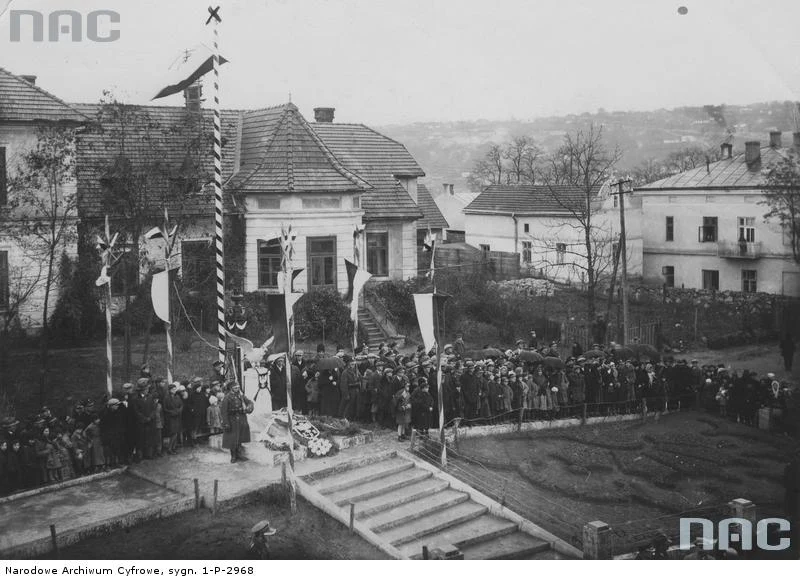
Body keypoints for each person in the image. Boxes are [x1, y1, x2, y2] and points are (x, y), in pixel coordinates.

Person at [220, 380, 254, 463]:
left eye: (238, 387)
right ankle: (233, 456)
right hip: (232, 420)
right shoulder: (227, 397)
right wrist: (226, 423)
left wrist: (249, 407)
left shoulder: (241, 396)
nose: (237, 389)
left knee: (240, 437)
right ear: (231, 388)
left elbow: (250, 402)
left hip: (241, 418)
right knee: (233, 439)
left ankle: (239, 455)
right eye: (235, 388)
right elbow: (224, 412)